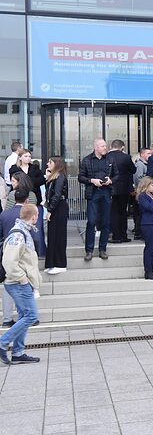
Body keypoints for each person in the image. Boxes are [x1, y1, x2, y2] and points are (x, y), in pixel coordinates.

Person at [0, 204, 42, 365]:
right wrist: (24, 279)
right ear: (34, 216)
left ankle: (18, 353)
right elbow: (9, 261)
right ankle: (3, 343)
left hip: (20, 282)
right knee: (31, 315)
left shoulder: (24, 231)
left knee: (25, 316)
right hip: (18, 283)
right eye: (37, 214)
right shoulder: (18, 234)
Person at [78, 138, 117, 261]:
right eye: (102, 146)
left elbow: (117, 175)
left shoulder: (111, 159)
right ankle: (89, 251)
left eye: (105, 146)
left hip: (106, 192)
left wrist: (111, 180)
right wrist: (92, 181)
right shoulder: (87, 160)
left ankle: (102, 249)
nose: (105, 148)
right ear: (95, 147)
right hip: (93, 193)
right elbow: (80, 177)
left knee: (106, 222)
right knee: (91, 222)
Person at [107, 139, 136, 244]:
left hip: (110, 187)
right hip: (124, 188)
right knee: (123, 212)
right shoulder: (126, 157)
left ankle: (116, 235)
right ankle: (123, 235)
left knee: (113, 212)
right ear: (122, 147)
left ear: (111, 146)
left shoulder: (106, 156)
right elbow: (133, 170)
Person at [44, 156, 68, 275]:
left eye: (50, 162)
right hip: (55, 207)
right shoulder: (54, 176)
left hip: (59, 207)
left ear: (56, 164)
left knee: (58, 235)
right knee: (53, 235)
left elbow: (57, 195)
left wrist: (50, 210)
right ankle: (52, 263)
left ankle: (60, 263)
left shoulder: (60, 177)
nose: (48, 164)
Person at [136, 176, 153, 280]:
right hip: (147, 224)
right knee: (149, 248)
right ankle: (148, 271)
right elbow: (149, 208)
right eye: (152, 185)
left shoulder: (150, 195)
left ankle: (151, 270)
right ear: (146, 186)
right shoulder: (142, 196)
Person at [132, 147, 151, 241]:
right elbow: (138, 178)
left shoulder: (146, 164)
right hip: (141, 191)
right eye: (148, 153)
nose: (150, 155)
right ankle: (138, 232)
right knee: (139, 213)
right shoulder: (140, 165)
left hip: (144, 191)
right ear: (142, 154)